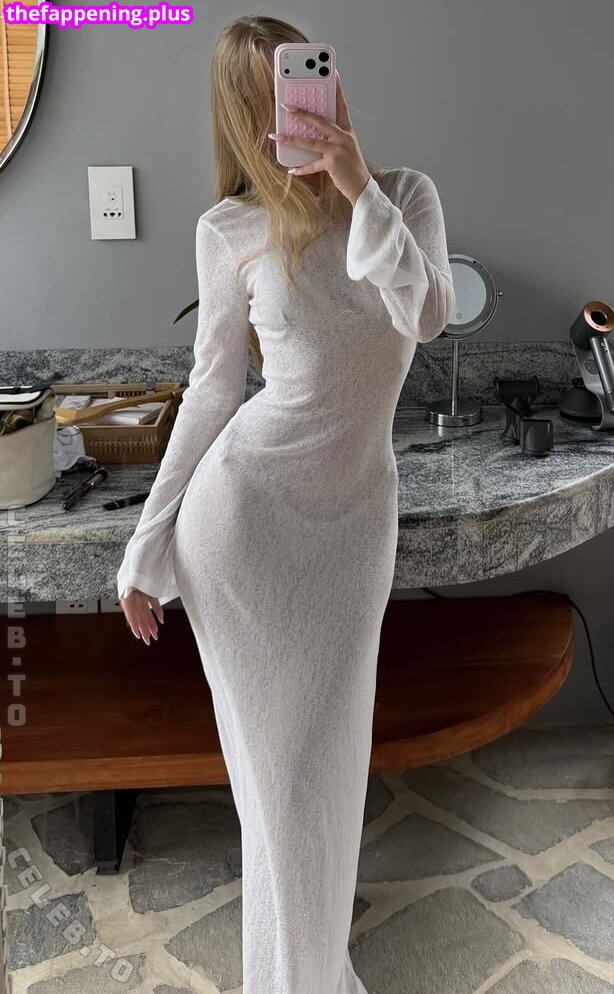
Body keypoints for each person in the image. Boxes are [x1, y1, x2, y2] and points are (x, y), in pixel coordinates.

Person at [117, 14, 455, 994]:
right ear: (244, 116)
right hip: (245, 524)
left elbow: (427, 313)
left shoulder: (403, 195)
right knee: (275, 789)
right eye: (268, 99)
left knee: (328, 775)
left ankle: (306, 973)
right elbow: (213, 391)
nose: (294, 109)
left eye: (303, 82)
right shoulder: (226, 231)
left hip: (354, 525)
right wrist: (147, 543)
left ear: (327, 82)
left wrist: (352, 183)